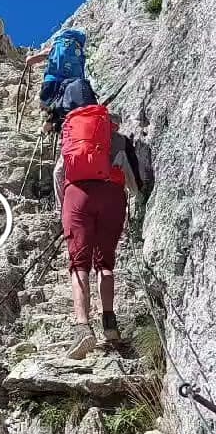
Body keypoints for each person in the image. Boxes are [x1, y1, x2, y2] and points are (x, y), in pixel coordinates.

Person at [54, 107, 143, 360]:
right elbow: (131, 177)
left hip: (77, 196)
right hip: (111, 197)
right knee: (105, 262)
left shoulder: (72, 137)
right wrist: (135, 196)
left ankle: (83, 327)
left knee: (79, 264)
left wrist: (66, 205)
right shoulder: (117, 140)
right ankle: (110, 324)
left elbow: (59, 172)